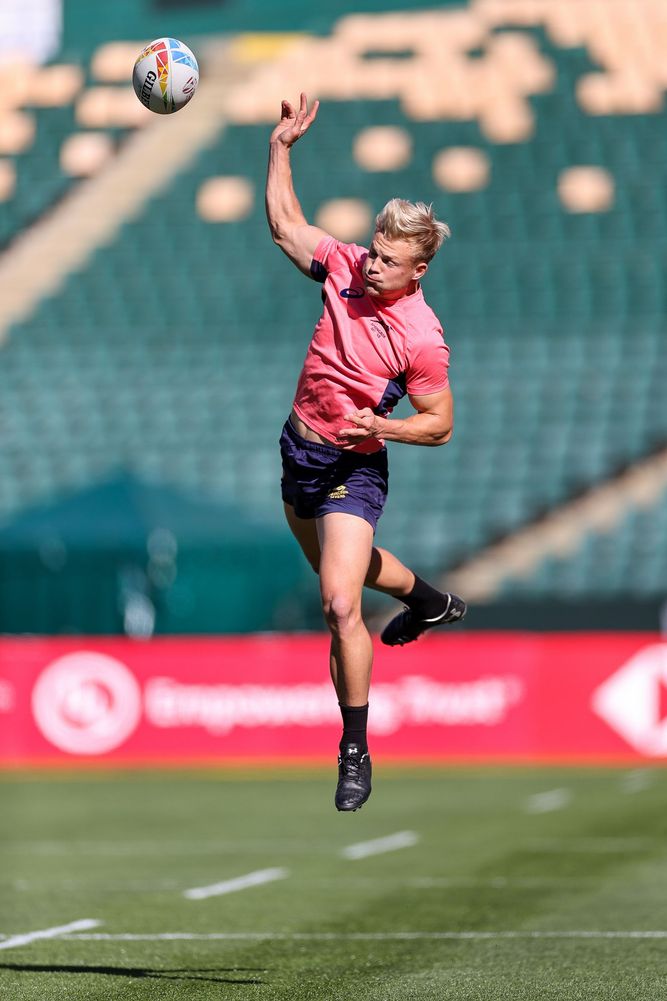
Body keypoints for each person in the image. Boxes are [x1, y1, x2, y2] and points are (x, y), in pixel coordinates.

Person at [266, 94, 466, 812]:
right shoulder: (345, 267)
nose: (374, 266)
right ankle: (429, 599)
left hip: (354, 463)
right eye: (375, 252)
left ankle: (353, 747)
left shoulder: (420, 335)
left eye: (391, 261)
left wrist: (381, 430)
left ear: (418, 271)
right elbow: (287, 226)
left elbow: (439, 422)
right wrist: (281, 147)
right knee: (334, 570)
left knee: (337, 601)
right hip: (300, 451)